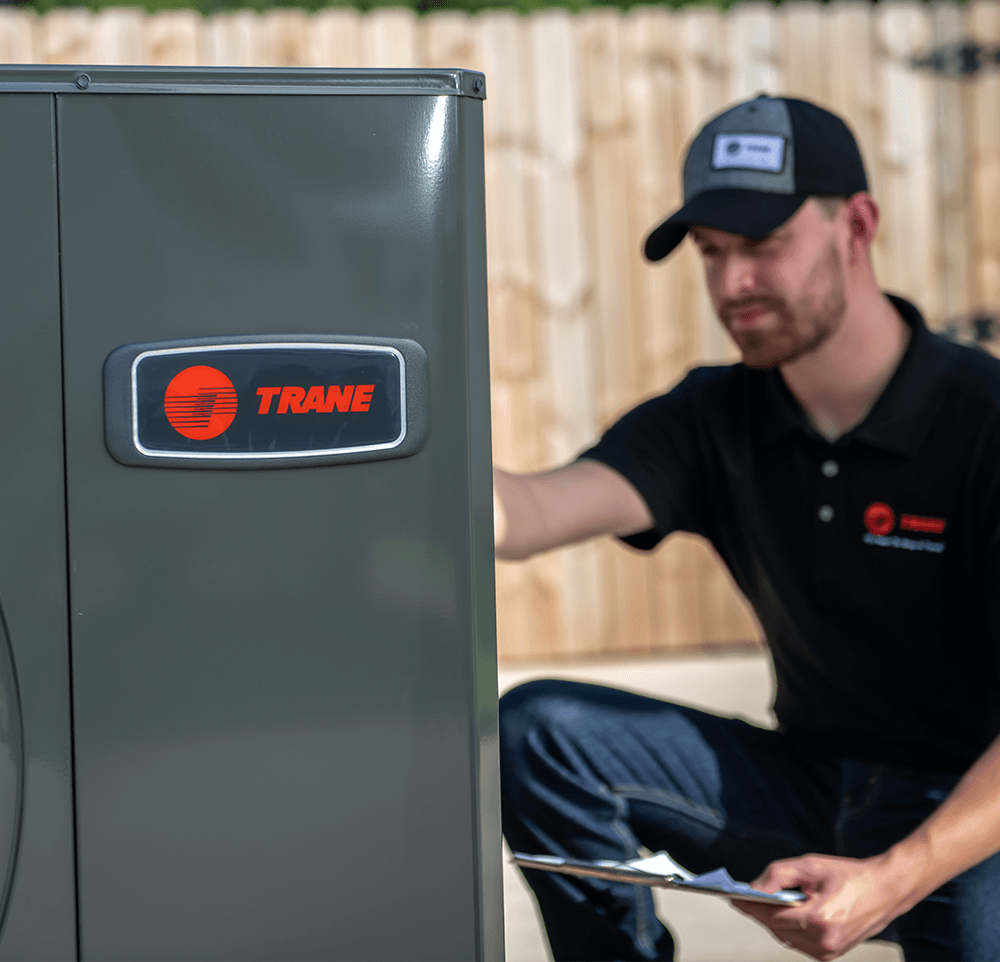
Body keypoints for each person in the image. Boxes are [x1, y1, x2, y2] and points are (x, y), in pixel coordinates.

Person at [494, 94, 1000, 962]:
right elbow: (532, 511)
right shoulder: (714, 417)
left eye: (764, 246)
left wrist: (897, 875)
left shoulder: (983, 419)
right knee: (539, 732)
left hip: (973, 817)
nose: (732, 285)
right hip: (811, 785)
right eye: (712, 253)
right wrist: (391, 457)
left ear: (858, 226)